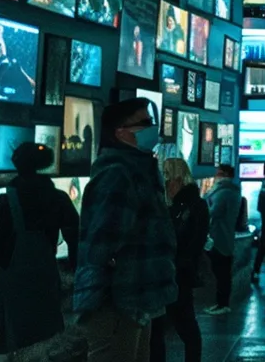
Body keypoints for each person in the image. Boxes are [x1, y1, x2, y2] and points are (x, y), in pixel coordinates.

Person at [74, 98, 176, 362]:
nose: (151, 128)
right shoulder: (119, 173)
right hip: (119, 296)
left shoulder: (138, 170)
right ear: (120, 132)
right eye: (143, 123)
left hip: (136, 295)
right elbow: (104, 239)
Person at [0, 141, 79, 357]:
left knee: (14, 344)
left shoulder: (2, 204)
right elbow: (77, 242)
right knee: (49, 345)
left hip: (12, 291)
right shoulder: (58, 200)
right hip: (46, 283)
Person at [150, 158, 207, 362]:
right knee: (159, 328)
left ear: (177, 179)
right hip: (168, 273)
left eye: (168, 177)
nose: (165, 183)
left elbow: (193, 242)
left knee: (184, 325)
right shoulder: (171, 205)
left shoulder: (193, 206)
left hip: (178, 274)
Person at [202, 165, 241, 315]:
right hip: (223, 237)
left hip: (220, 238)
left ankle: (222, 303)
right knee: (222, 273)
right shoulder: (231, 191)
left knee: (222, 273)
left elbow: (213, 212)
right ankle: (220, 302)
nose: (216, 176)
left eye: (219, 173)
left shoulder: (224, 192)